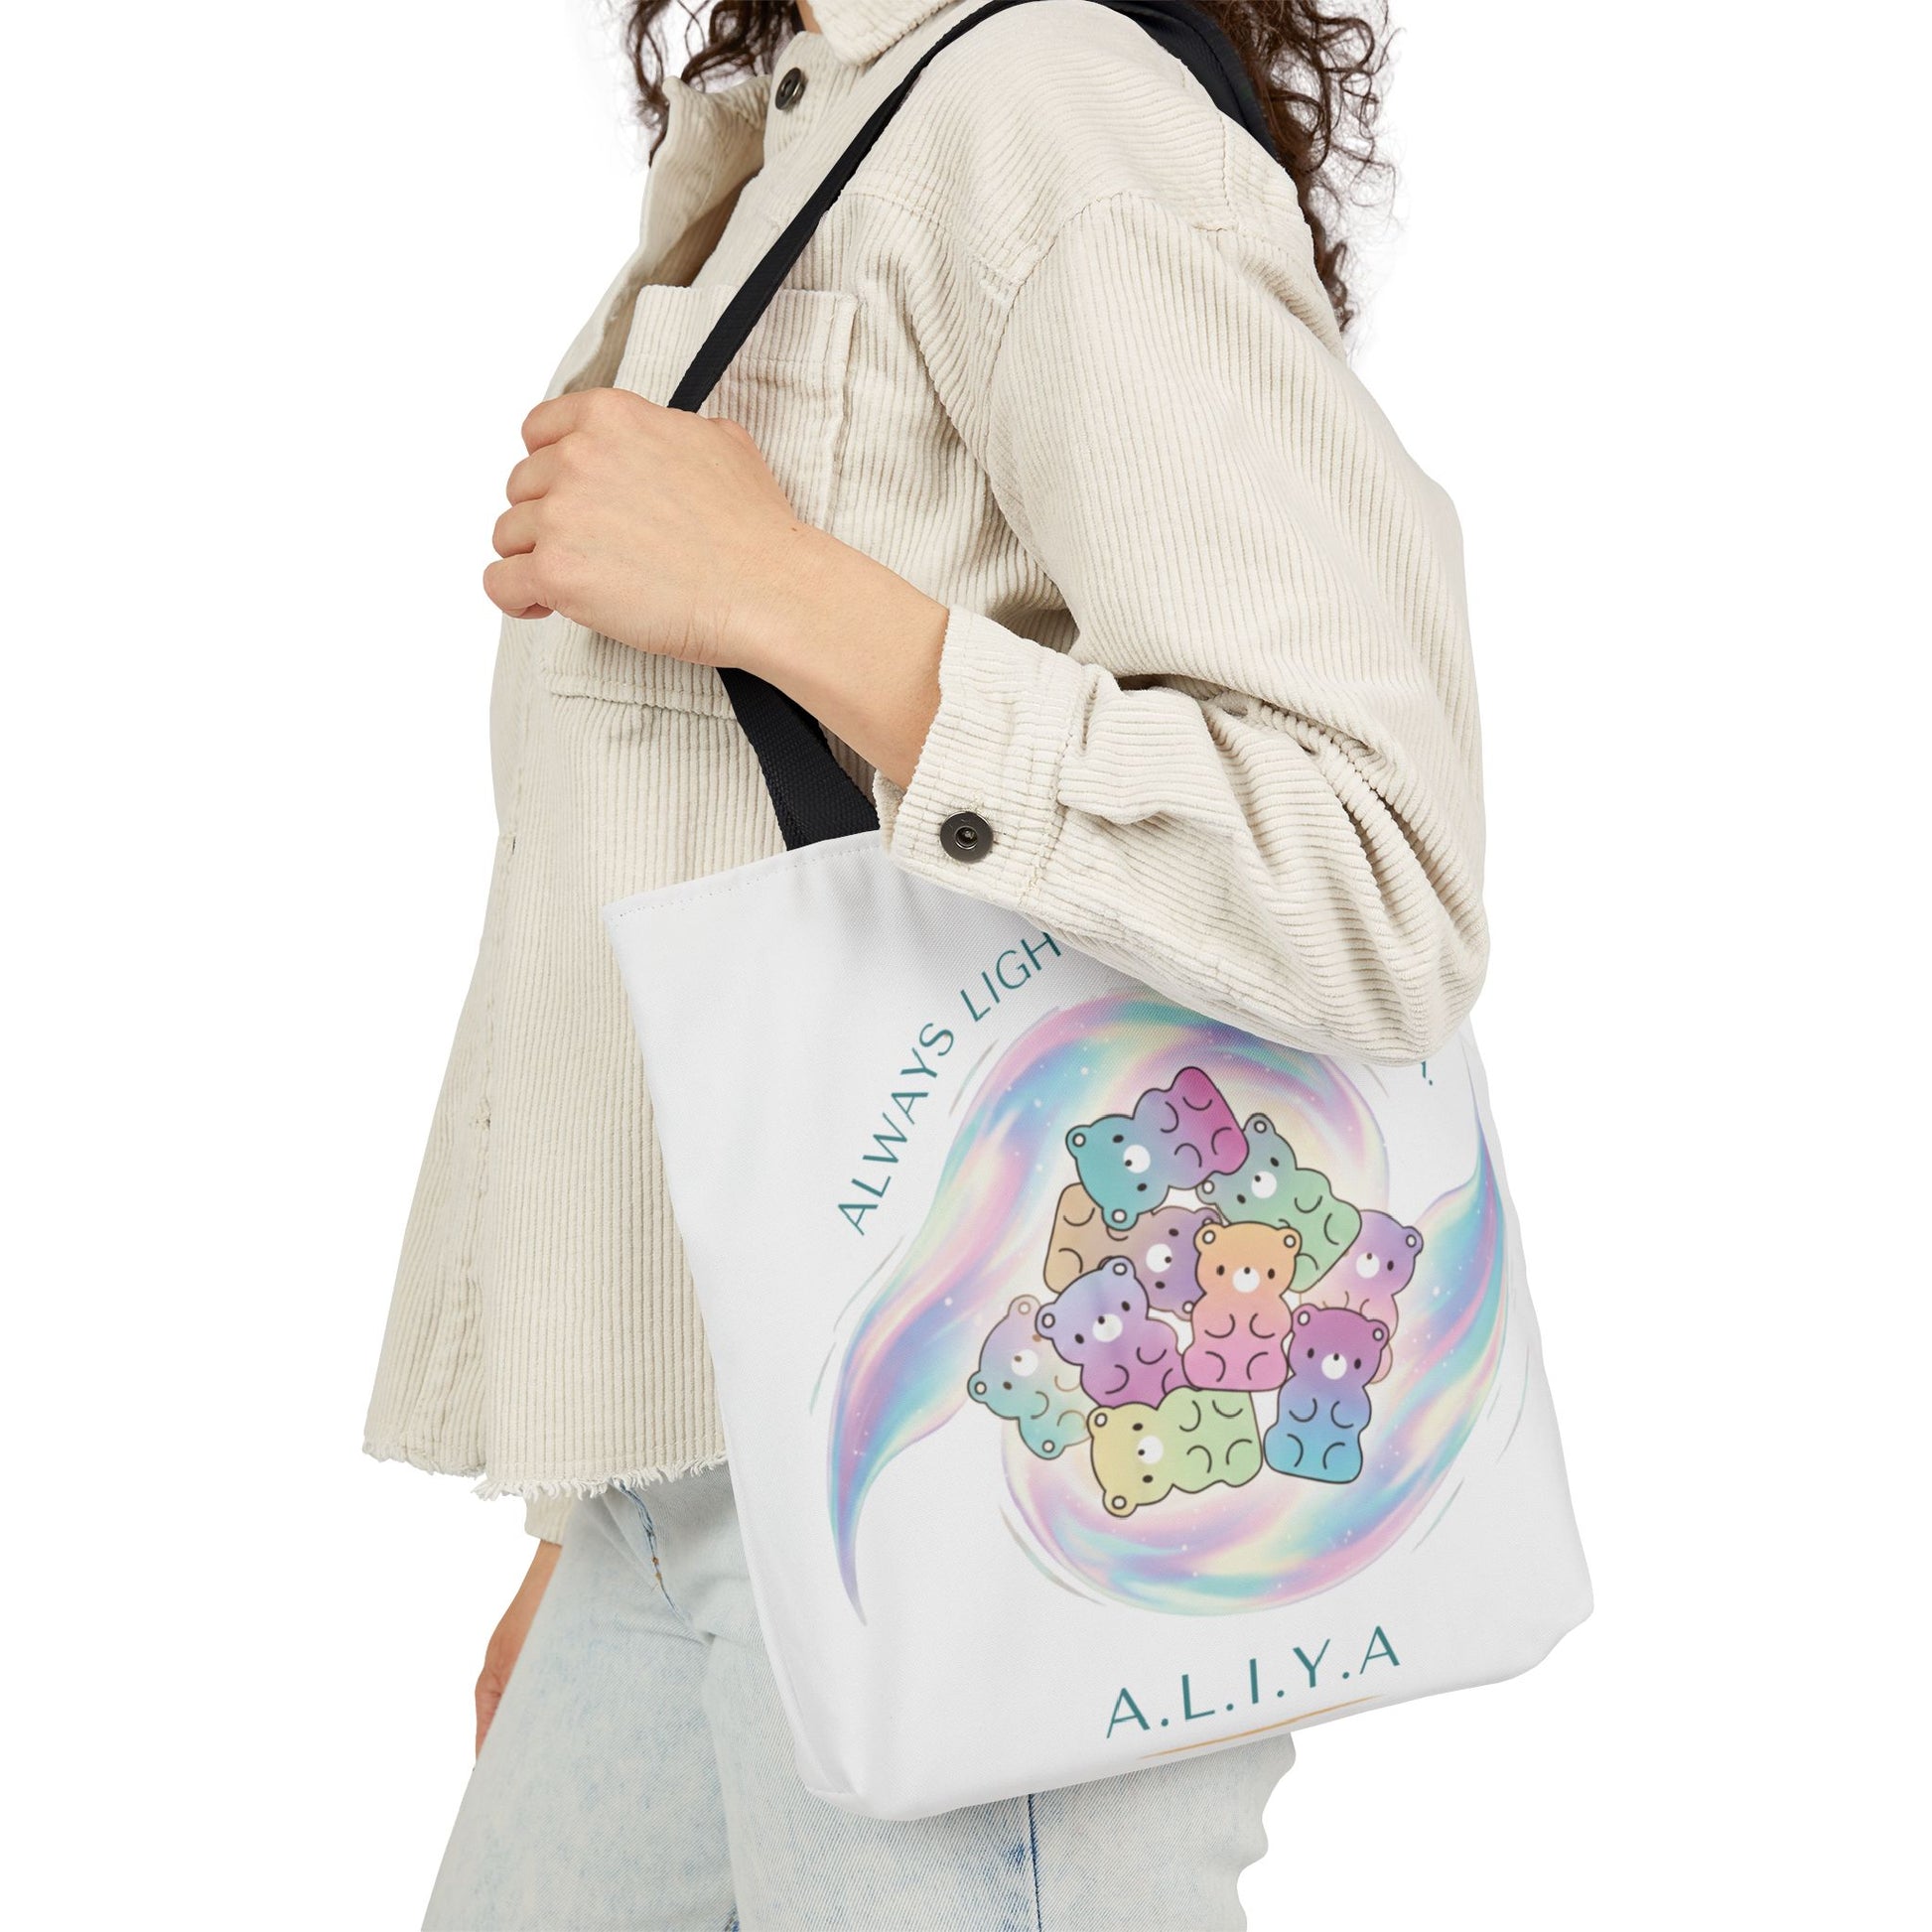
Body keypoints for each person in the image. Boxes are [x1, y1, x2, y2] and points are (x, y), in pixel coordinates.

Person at [370, 0, 1484, 1923]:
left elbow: (1374, 863)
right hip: (704, 1481)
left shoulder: (1050, 122)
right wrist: (598, 1514)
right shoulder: (804, 135)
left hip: (975, 1491)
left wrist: (793, 598)